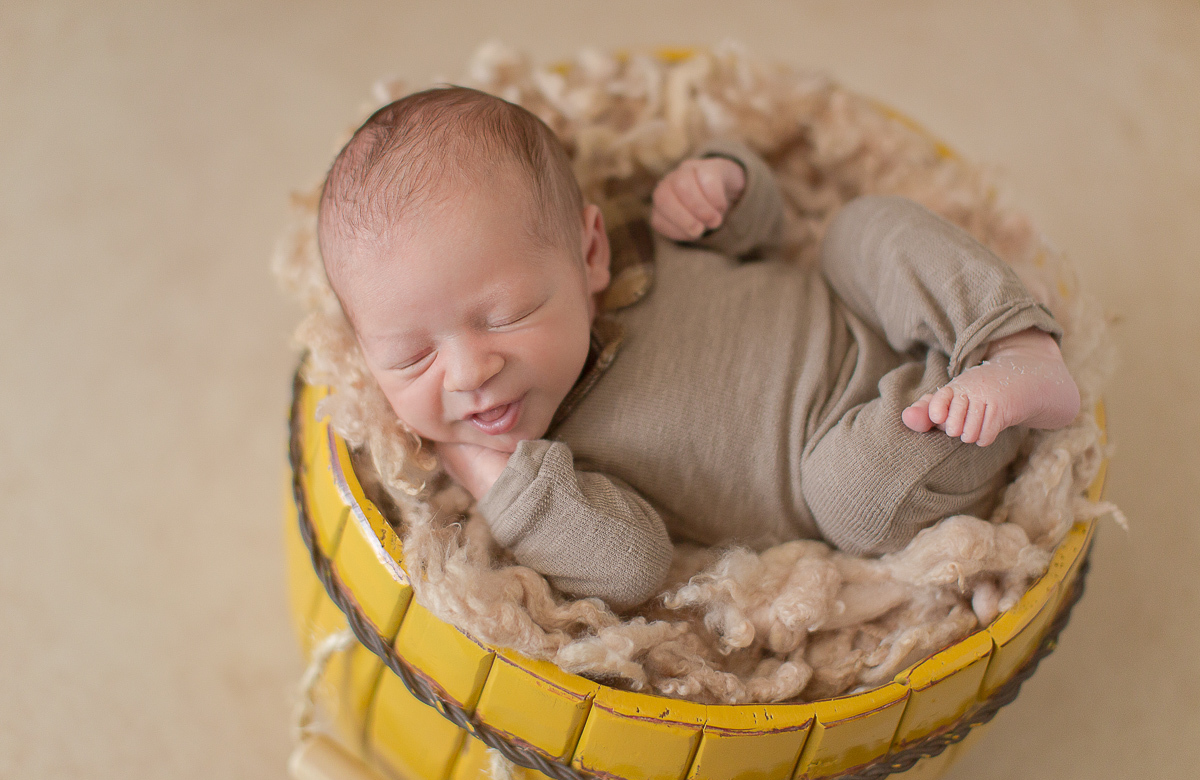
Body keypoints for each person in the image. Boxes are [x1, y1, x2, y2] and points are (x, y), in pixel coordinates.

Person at [316, 86, 1080, 610]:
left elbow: (761, 236)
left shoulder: (633, 243)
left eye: (507, 314)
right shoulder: (555, 471)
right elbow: (632, 565)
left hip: (864, 311)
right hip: (855, 443)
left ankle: (1013, 343)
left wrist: (721, 189)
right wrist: (497, 481)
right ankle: (989, 401)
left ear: (588, 254)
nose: (469, 374)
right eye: (411, 359)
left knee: (860, 229)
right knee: (857, 495)